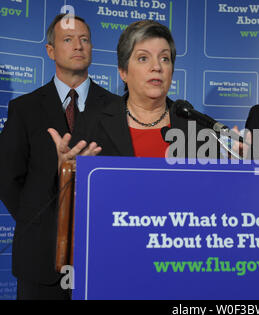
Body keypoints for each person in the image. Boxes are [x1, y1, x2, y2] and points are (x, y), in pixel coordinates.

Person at [0, 14, 118, 299]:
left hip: (102, 257)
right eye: (68, 39)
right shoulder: (24, 109)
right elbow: (7, 179)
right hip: (39, 260)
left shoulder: (118, 109)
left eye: (84, 39)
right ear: (50, 50)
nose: (78, 45)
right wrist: (40, 219)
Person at [73, 20, 218, 159]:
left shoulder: (198, 128)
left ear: (172, 71)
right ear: (123, 72)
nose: (157, 67)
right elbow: (75, 178)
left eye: (164, 58)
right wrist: (65, 171)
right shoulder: (92, 124)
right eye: (143, 58)